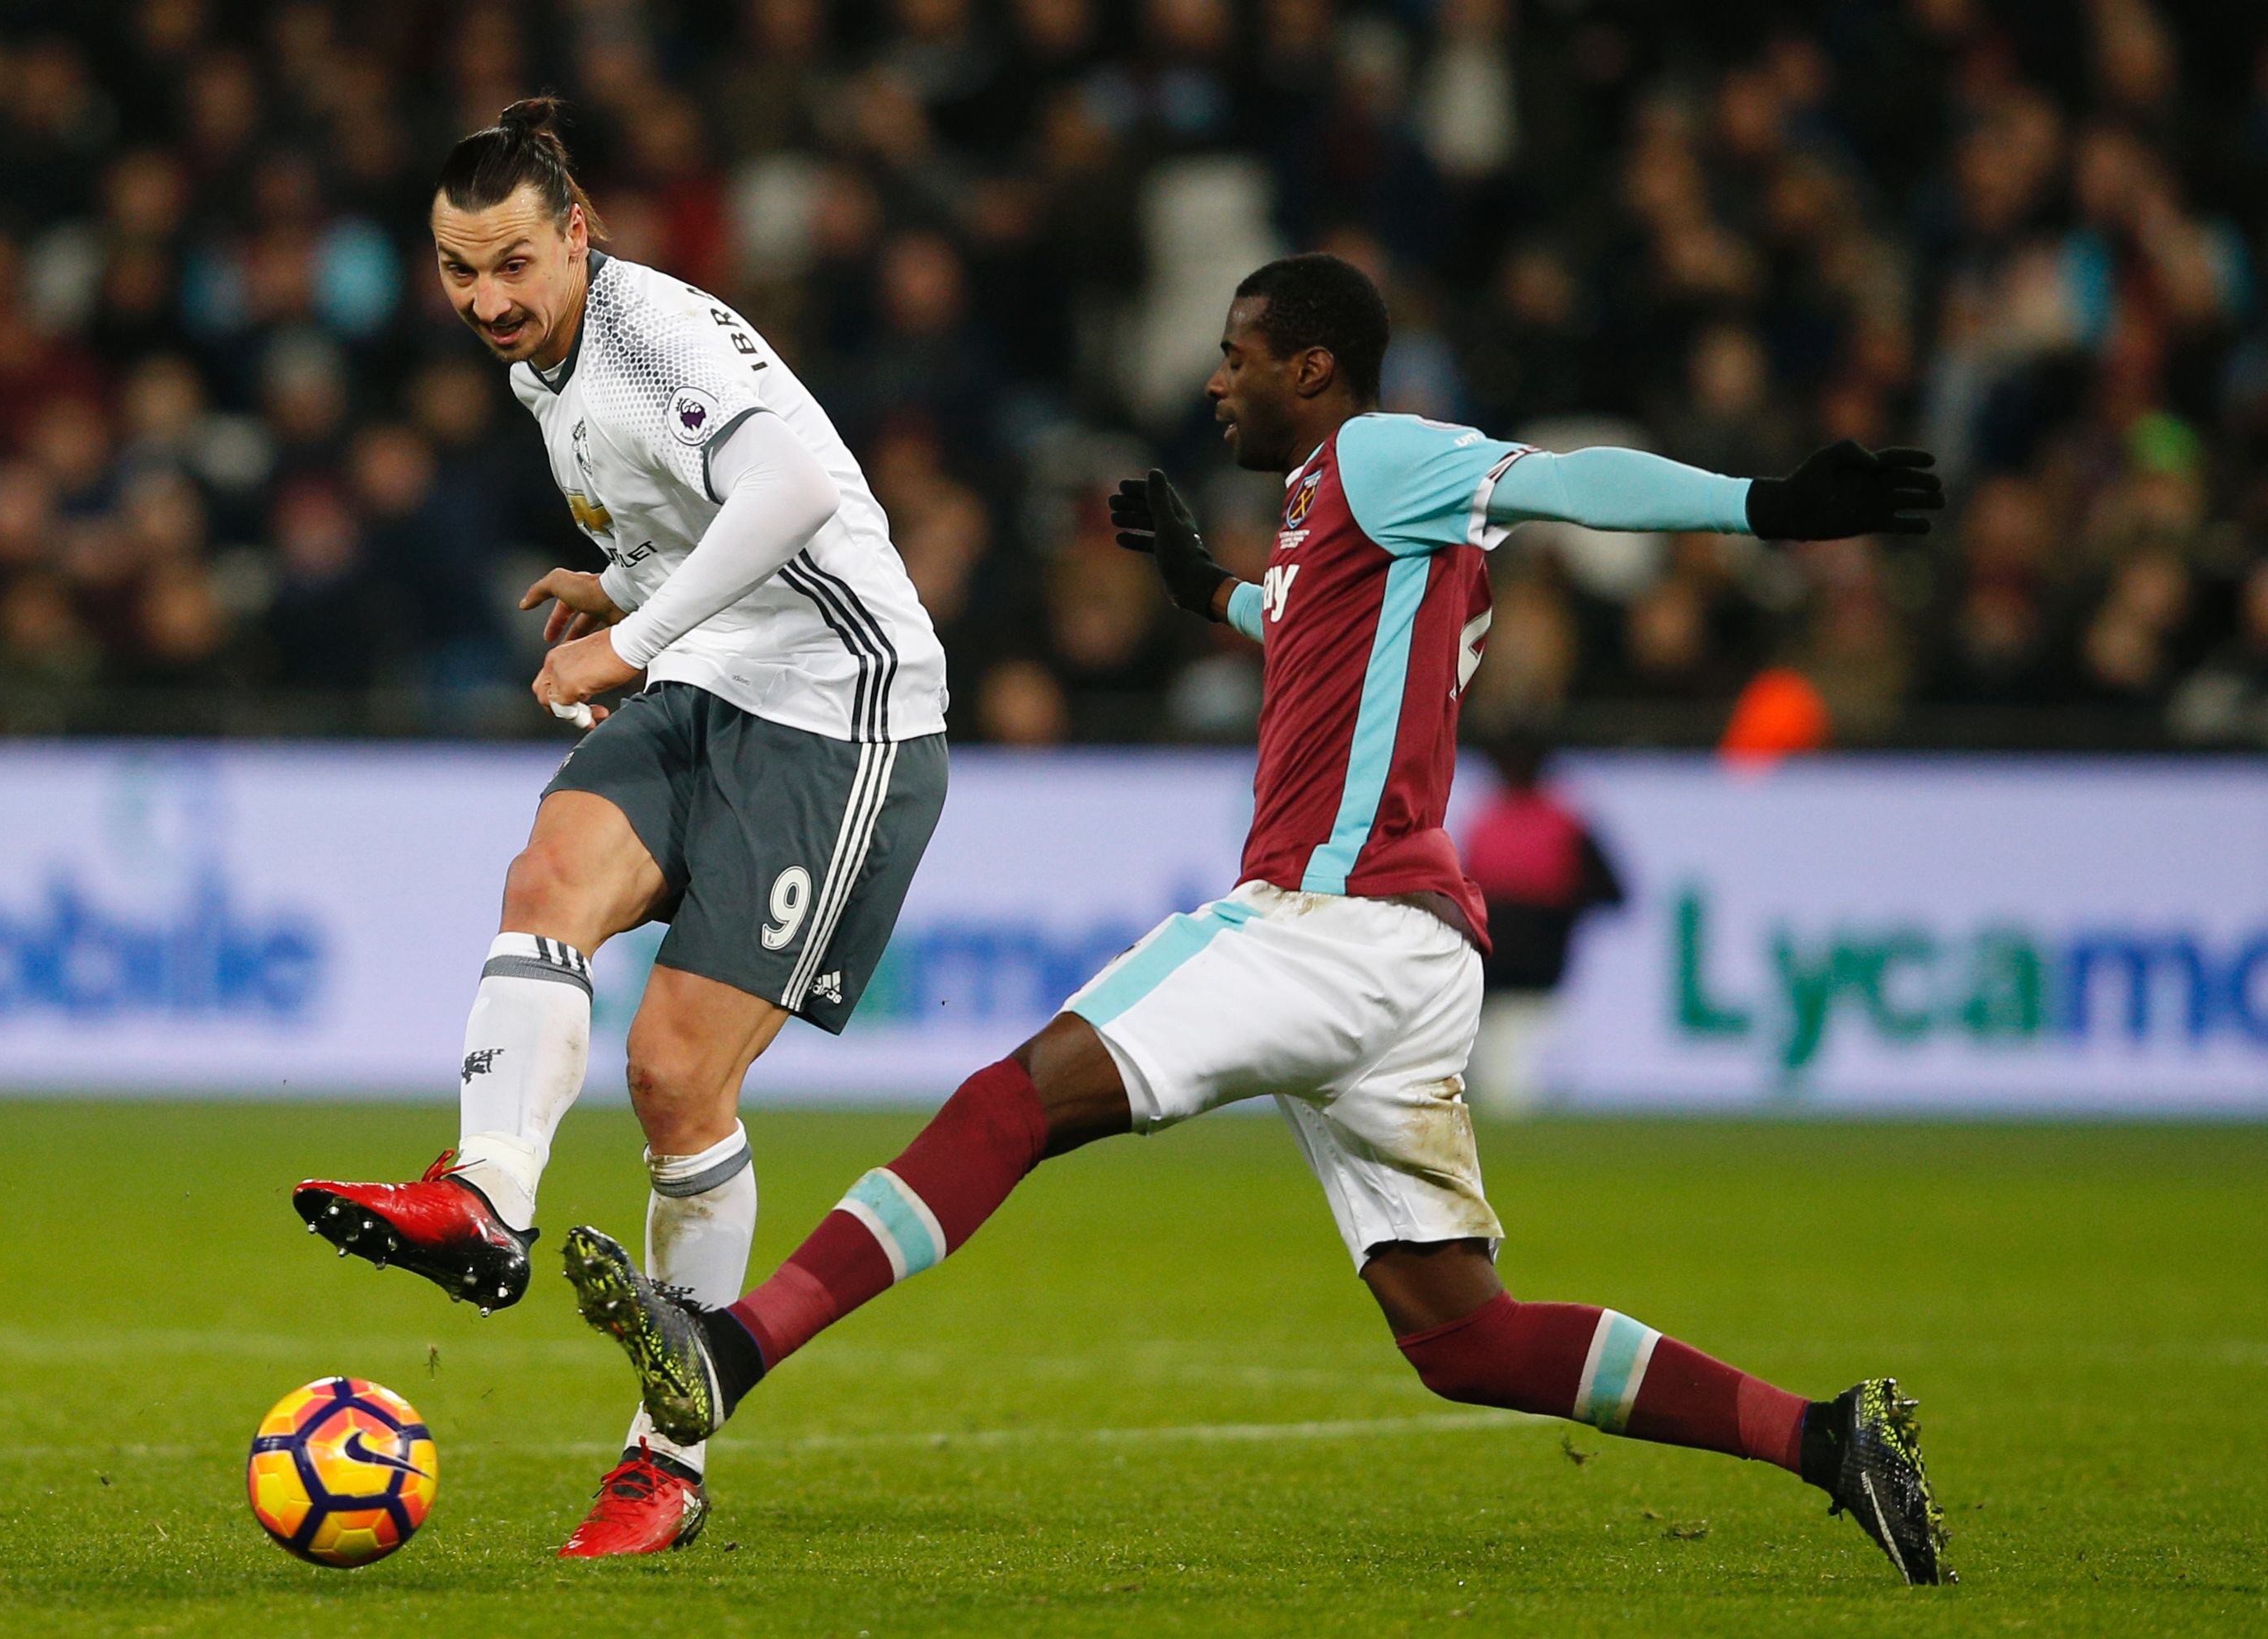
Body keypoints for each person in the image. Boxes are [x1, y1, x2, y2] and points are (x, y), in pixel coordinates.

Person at [557, 253, 1957, 1585]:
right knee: (1462, 1338)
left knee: (1013, 1098)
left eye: (1236, 357)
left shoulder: (1379, 453)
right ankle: (1821, 1437)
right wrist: (1205, 592)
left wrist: (1761, 507)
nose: (1211, 379)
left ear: (1314, 365)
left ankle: (732, 1348)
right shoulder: (1343, 509)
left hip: (1324, 917)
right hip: (1414, 958)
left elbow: (1568, 478)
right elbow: (1312, 631)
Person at [288, 99, 950, 1558]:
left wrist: (635, 633)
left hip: (841, 722)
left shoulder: (653, 331)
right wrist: (620, 571)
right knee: (546, 879)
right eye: (459, 273)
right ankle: (485, 1200)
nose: (486, 300)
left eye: (512, 263)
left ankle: (668, 1459)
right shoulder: (551, 357)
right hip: (713, 678)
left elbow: (786, 487)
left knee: (671, 1082)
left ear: (579, 233)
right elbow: (689, 497)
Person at [1459, 734, 1626, 1117]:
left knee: (1513, 1080)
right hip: (1528, 973)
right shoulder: (1556, 825)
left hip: (1508, 974)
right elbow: (1614, 893)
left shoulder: (1492, 823)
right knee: (1515, 1081)